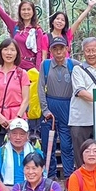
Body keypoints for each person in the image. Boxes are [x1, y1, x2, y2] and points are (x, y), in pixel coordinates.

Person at [38, 36, 77, 179]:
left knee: (67, 144)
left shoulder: (73, 64)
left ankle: (69, 176)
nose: (59, 52)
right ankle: (50, 175)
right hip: (50, 106)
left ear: (67, 49)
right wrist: (45, 110)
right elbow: (40, 88)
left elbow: (91, 70)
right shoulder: (46, 65)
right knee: (48, 144)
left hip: (67, 106)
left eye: (61, 48)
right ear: (51, 51)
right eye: (55, 49)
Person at [0, 39, 31, 148]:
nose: (9, 53)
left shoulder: (22, 74)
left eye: (12, 50)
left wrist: (16, 118)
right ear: (1, 52)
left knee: (20, 150)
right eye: (6, 49)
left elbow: (26, 99)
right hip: (0, 117)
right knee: (1, 150)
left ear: (17, 53)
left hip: (19, 117)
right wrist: (0, 117)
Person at [0, 119, 43, 191]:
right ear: (9, 135)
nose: (18, 138)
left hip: (31, 188)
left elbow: (43, 174)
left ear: (27, 135)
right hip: (7, 189)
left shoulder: (36, 153)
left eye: (22, 134)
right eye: (14, 134)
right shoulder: (0, 152)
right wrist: (2, 188)